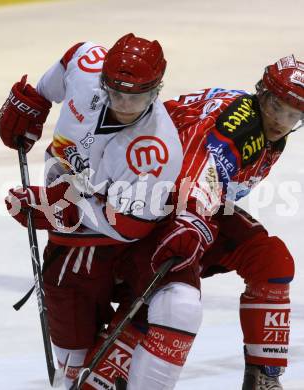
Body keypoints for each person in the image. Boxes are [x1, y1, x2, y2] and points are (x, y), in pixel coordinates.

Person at [84, 55, 303, 390]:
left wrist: (195, 217)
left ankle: (264, 377)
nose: (280, 121)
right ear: (262, 93)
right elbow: (198, 171)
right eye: (276, 107)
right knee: (163, 298)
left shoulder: (262, 127)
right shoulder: (241, 127)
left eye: (293, 114)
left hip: (176, 206)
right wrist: (190, 222)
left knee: (270, 260)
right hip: (148, 208)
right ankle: (98, 381)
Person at [0, 33, 184, 388]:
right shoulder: (86, 64)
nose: (125, 104)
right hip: (67, 232)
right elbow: (68, 62)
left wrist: (66, 210)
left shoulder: (156, 149)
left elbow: (131, 226)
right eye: (116, 92)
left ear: (157, 89)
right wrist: (32, 104)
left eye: (139, 96)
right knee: (68, 354)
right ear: (103, 78)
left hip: (112, 245)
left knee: (83, 360)